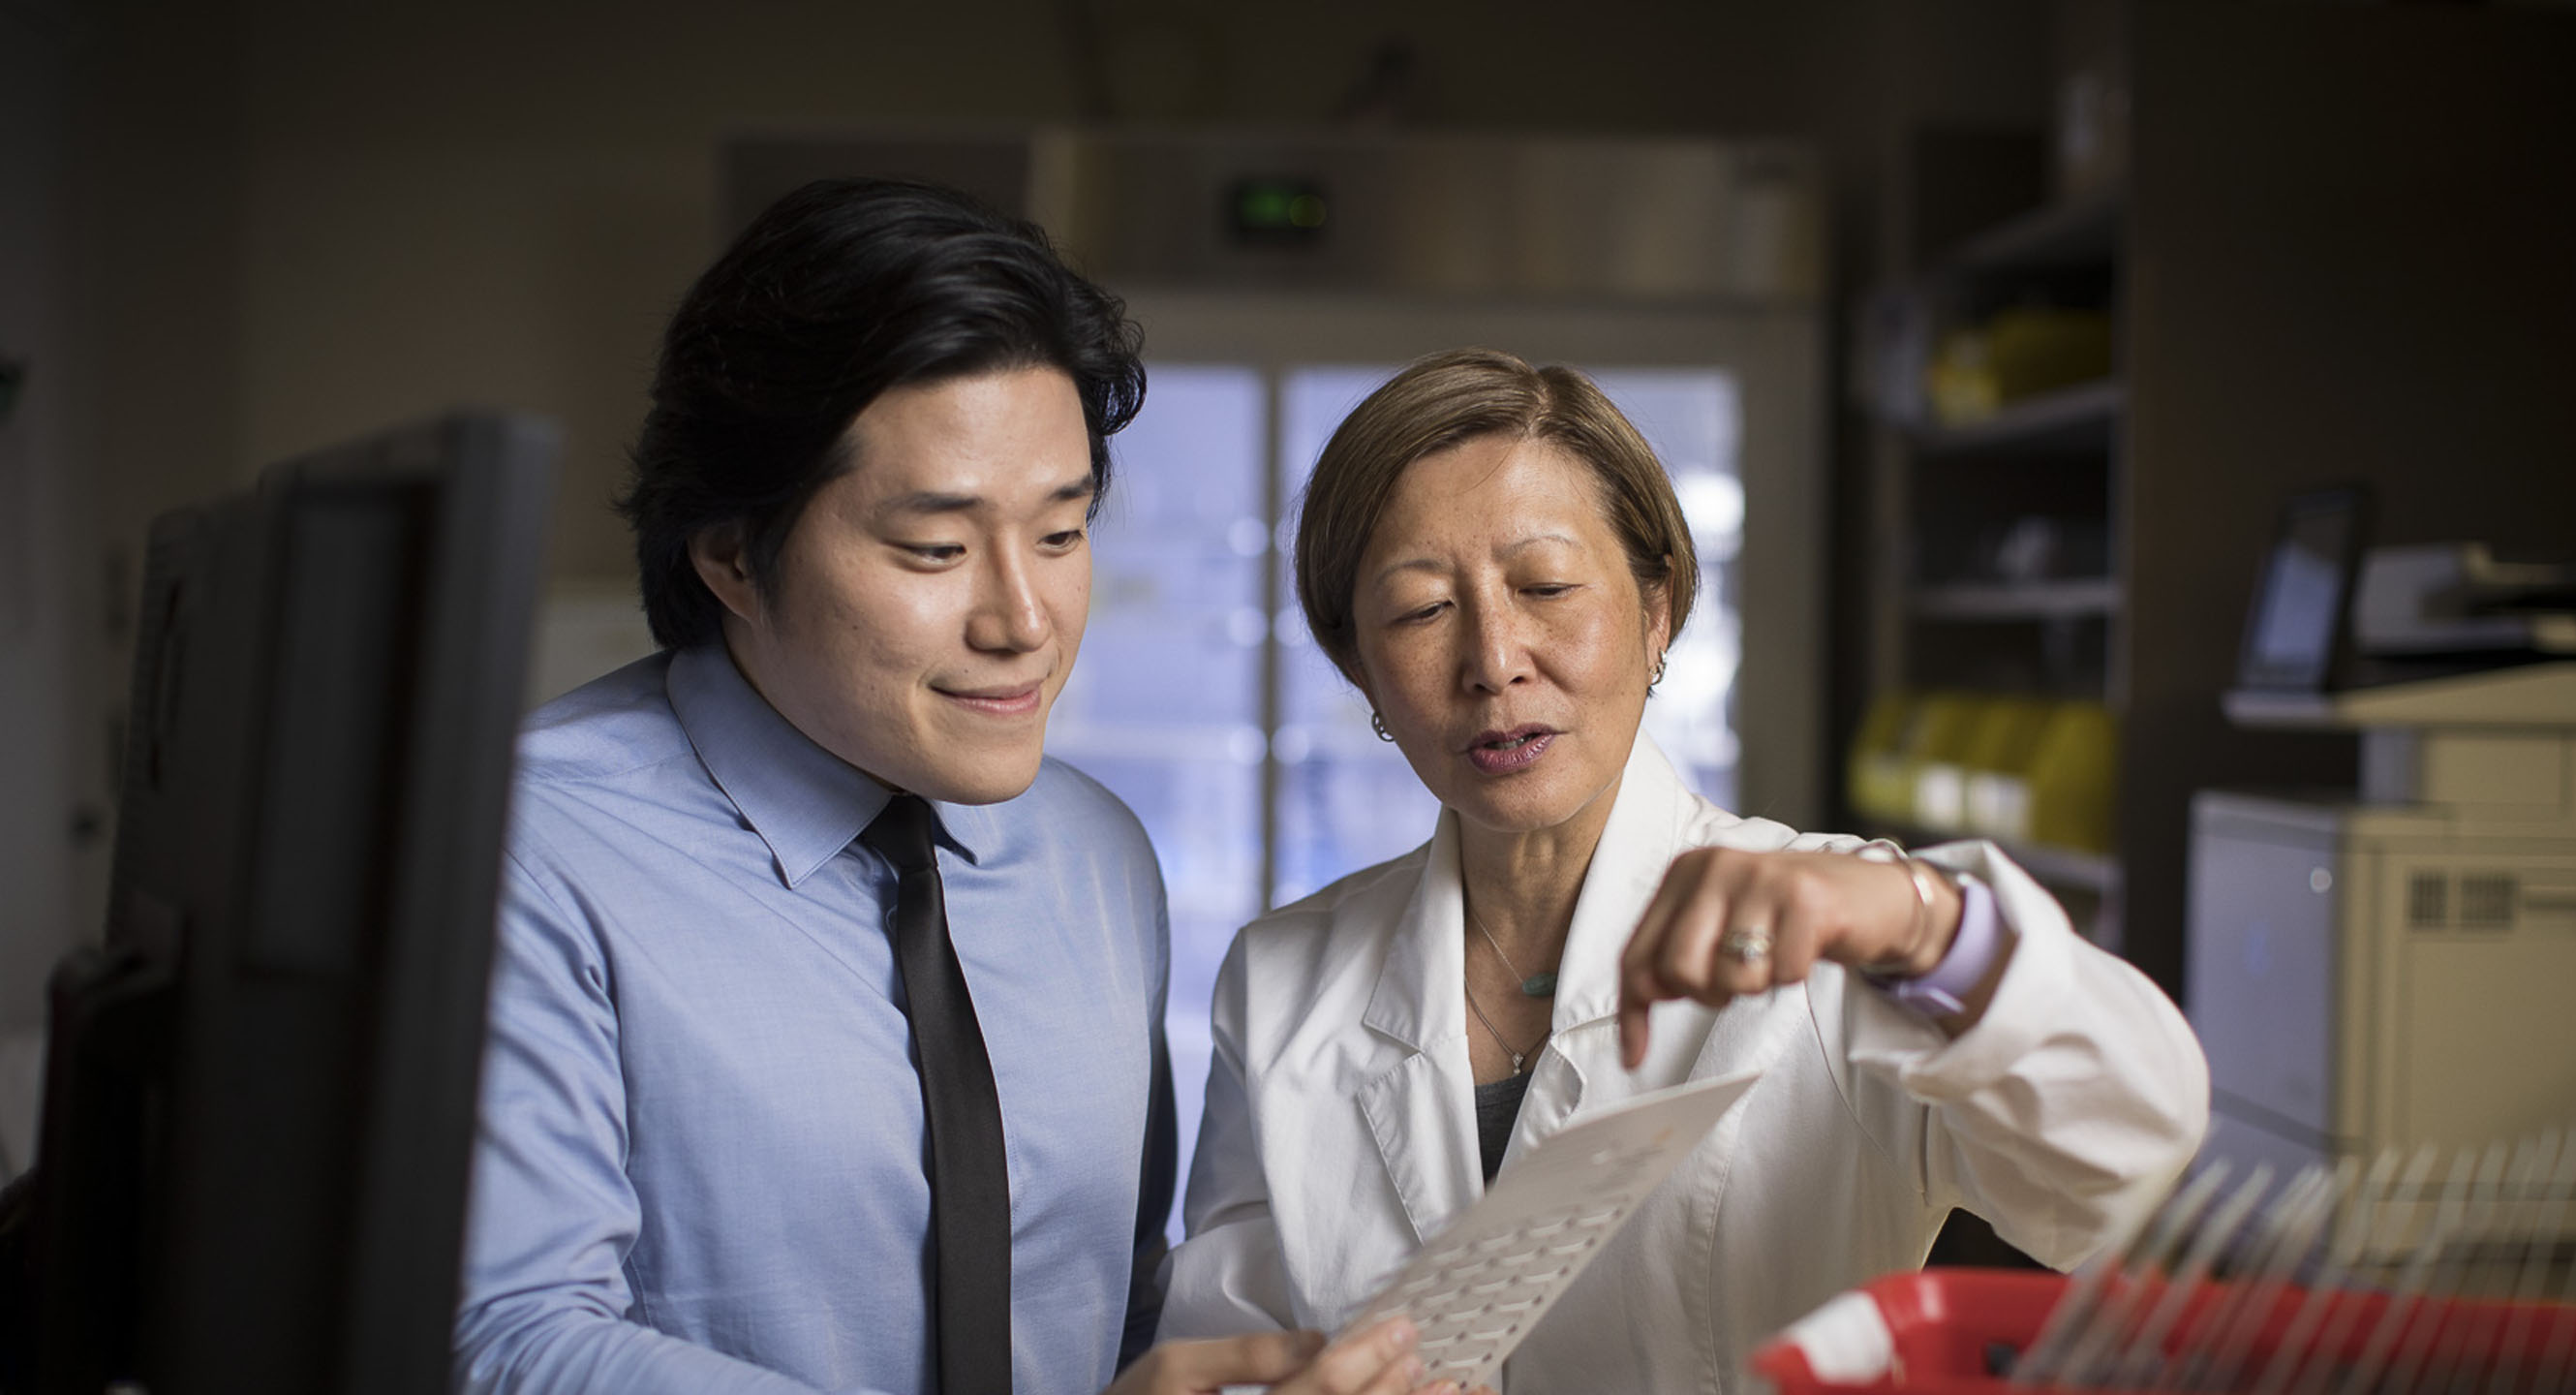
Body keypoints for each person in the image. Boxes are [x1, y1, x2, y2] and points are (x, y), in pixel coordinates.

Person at [455, 178, 1443, 1395]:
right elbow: (504, 1343)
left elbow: (1122, 1309)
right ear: (730, 553)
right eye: (935, 547)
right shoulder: (523, 852)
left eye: (1062, 533)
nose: (1024, 621)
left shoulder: (1097, 858)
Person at [1156, 348, 2212, 1391]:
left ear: (1658, 611)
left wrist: (1927, 927)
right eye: (1424, 610)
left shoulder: (1852, 933)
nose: (1494, 660)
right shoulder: (1282, 981)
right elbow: (1230, 1347)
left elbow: (2127, 1172)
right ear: (1362, 671)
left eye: (1547, 585)